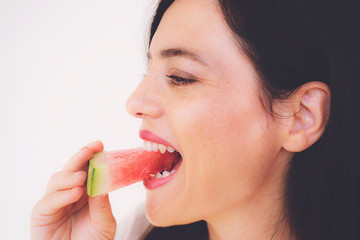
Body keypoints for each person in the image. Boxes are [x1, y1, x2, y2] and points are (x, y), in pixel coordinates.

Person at [31, 0, 360, 239]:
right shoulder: (128, 233)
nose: (134, 102)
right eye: (148, 72)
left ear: (301, 116)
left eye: (180, 77)